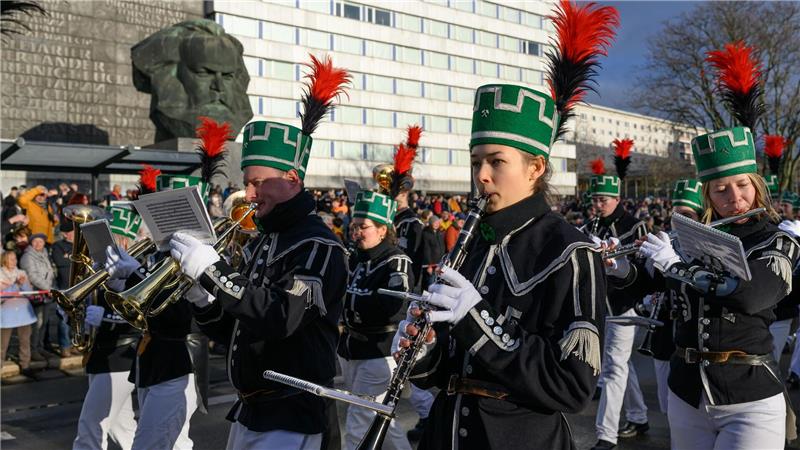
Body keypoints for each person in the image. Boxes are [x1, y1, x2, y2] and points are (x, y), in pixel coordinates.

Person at [396, 82, 608, 449]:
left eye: (496, 161)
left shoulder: (570, 250)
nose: (481, 174)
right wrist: (425, 351)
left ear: (535, 168)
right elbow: (449, 367)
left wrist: (477, 323)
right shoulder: (471, 241)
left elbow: (572, 387)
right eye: (476, 161)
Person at [167, 55, 350, 449]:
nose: (248, 195)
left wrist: (213, 273)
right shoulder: (265, 240)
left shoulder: (318, 245)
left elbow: (282, 317)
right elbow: (235, 327)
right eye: (247, 184)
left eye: (256, 183)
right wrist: (202, 297)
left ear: (292, 179)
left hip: (291, 416)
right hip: (252, 412)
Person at [338, 190, 413, 450]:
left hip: (379, 351)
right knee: (380, 416)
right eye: (354, 226)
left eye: (363, 227)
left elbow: (396, 305)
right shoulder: (356, 259)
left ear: (383, 230)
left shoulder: (396, 260)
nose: (356, 232)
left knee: (358, 421)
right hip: (351, 349)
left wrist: (355, 302)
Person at [584, 162, 649, 450]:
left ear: (617, 199)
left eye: (603, 200)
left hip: (624, 307)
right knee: (622, 365)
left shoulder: (634, 225)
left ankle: (606, 434)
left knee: (612, 369)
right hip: (603, 307)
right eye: (595, 200)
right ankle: (639, 415)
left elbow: (642, 267)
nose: (598, 205)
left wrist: (615, 261)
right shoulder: (589, 226)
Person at [72, 205, 142, 450]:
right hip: (101, 355)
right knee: (121, 428)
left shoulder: (137, 268)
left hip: (121, 357)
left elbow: (142, 318)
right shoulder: (100, 266)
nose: (116, 243)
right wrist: (72, 312)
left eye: (121, 238)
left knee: (91, 427)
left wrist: (106, 317)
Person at [0, 250, 37, 377]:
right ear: (4, 260)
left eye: (15, 258)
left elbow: (29, 293)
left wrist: (24, 285)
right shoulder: (0, 274)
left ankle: (25, 365)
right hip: (6, 314)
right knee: (2, 343)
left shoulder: (22, 273)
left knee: (25, 341)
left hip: (23, 313)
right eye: (11, 259)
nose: (14, 261)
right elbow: (2, 296)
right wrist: (15, 285)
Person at [20, 233, 57, 359]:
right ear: (31, 243)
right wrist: (49, 288)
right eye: (35, 241)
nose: (38, 244)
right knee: (37, 324)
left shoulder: (45, 254)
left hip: (46, 294)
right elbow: (33, 276)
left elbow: (50, 272)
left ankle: (40, 347)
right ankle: (33, 350)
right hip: (36, 294)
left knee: (44, 323)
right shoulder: (28, 256)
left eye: (40, 241)